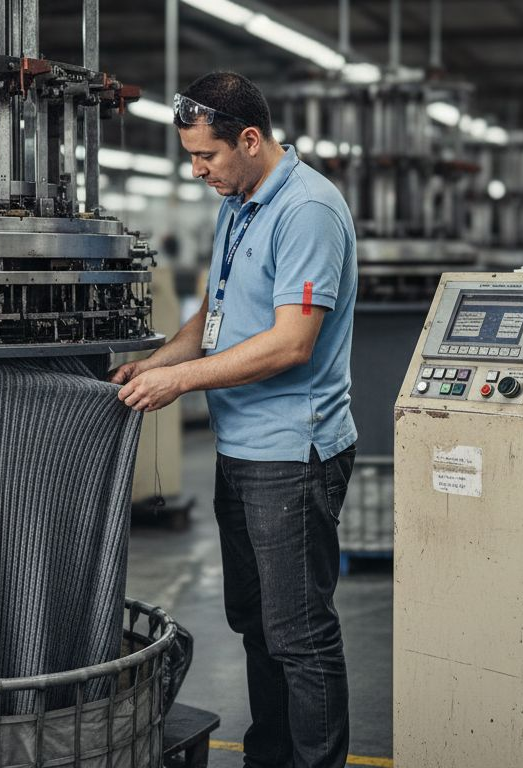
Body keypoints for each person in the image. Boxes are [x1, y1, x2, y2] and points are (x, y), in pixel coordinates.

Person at [110, 71, 357, 768]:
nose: (199, 172)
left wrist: (180, 383)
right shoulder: (237, 203)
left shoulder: (306, 209)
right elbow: (216, 321)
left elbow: (290, 342)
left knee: (299, 635)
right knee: (255, 624)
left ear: (250, 140)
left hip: (291, 453)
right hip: (241, 449)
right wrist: (159, 362)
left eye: (208, 156)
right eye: (191, 157)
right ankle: (271, 758)